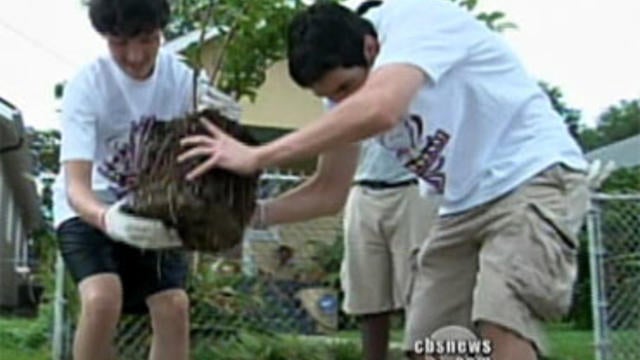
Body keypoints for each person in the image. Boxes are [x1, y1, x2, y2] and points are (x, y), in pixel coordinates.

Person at [177, 1, 594, 359]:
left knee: (501, 319)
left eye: (346, 87)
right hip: (464, 206)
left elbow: (382, 110)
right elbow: (328, 191)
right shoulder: (344, 92)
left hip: (533, 177)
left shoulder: (415, 18)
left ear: (370, 47)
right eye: (332, 96)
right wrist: (248, 214)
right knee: (435, 344)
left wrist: (258, 156)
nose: (342, 102)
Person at [52, 1, 238, 359]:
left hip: (149, 207)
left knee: (173, 305)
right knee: (103, 298)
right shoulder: (87, 85)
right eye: (119, 43)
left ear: (161, 33)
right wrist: (107, 218)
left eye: (147, 40)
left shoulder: (184, 80)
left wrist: (225, 127)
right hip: (89, 207)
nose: (135, 56)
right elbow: (76, 186)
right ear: (104, 38)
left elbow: (208, 155)